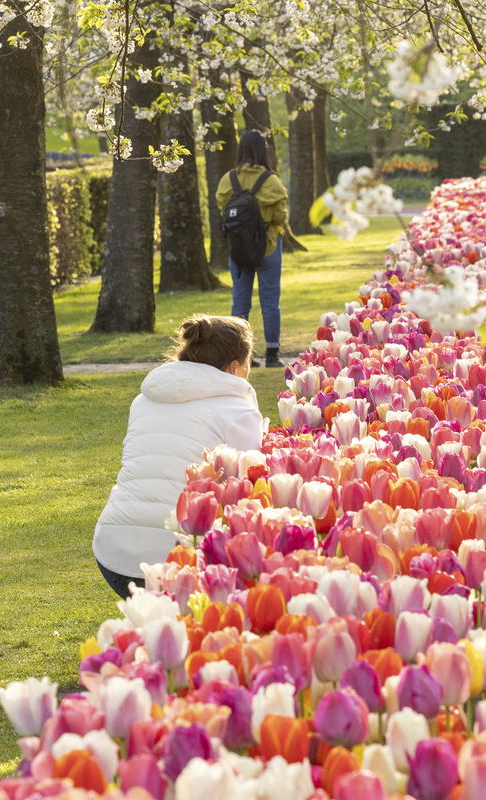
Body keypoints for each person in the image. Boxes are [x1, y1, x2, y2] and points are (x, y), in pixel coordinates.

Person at [93, 314, 264, 597]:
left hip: (113, 550)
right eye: (248, 363)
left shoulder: (144, 400)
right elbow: (249, 484)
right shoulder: (237, 411)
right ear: (235, 366)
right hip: (177, 557)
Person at [215, 131, 288, 368]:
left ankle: (239, 355)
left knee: (240, 303)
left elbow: (223, 210)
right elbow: (280, 216)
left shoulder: (228, 180)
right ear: (262, 151)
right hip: (267, 247)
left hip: (238, 250)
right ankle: (273, 355)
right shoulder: (272, 182)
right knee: (270, 301)